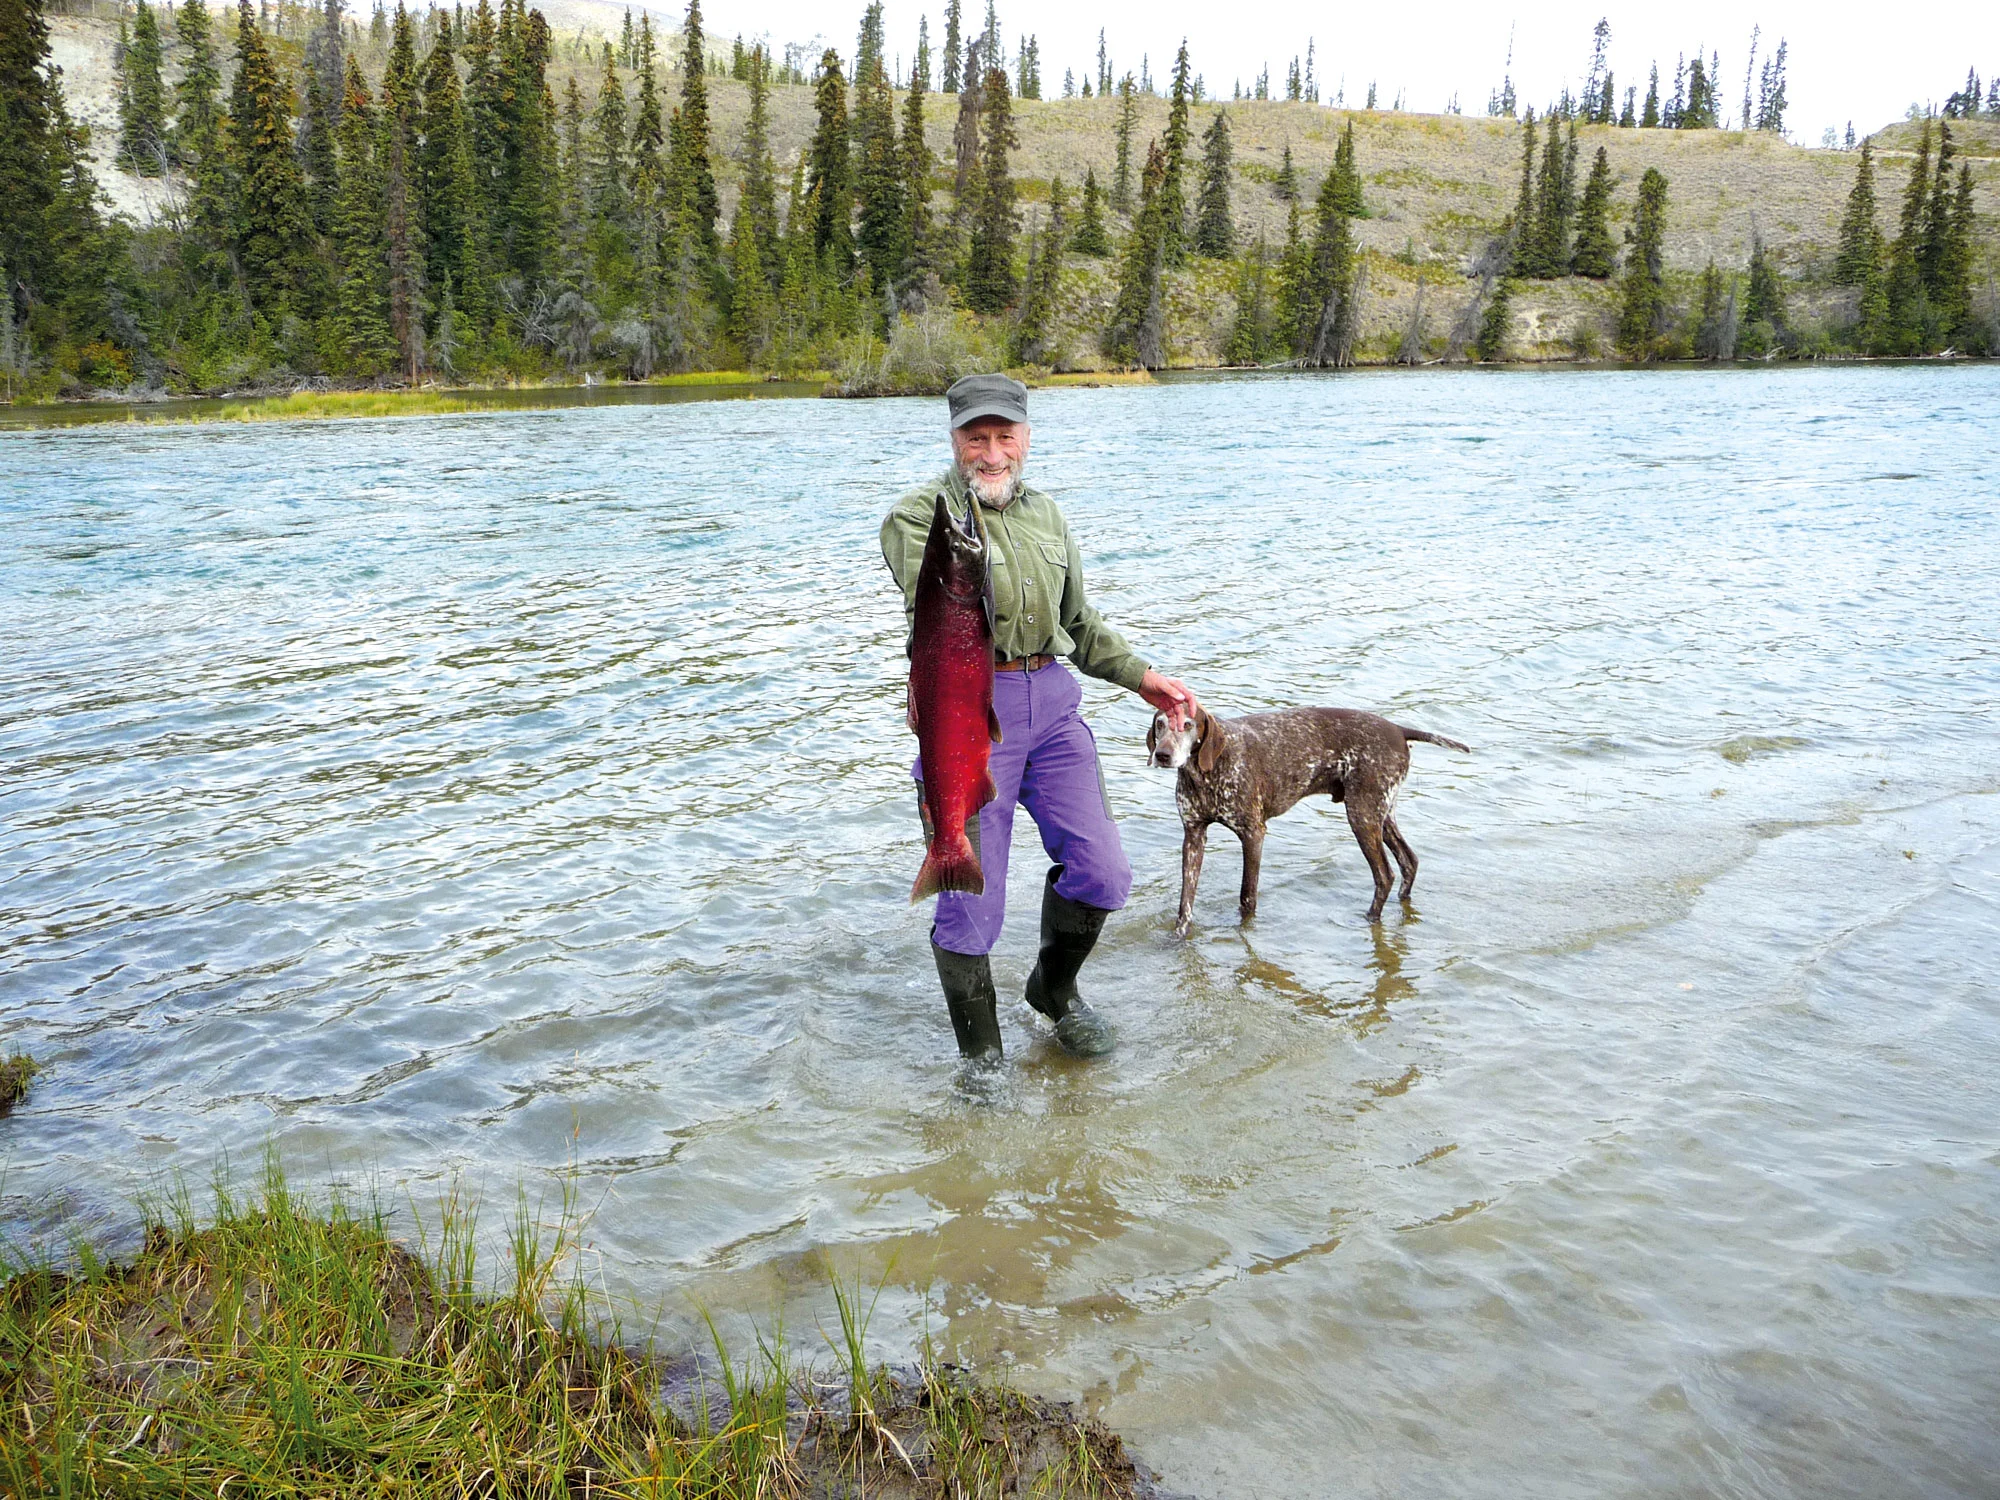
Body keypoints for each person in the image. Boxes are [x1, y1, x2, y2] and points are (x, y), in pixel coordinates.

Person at [880, 373, 1199, 1063]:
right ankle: (983, 1062)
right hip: (964, 710)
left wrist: (1144, 679)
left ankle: (1053, 993)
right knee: (968, 895)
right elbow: (940, 605)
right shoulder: (917, 519)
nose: (991, 453)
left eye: (1004, 436)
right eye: (976, 438)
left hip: (1051, 705)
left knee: (1104, 873)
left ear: (1026, 438)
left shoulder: (1047, 516)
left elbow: (1078, 623)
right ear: (954, 439)